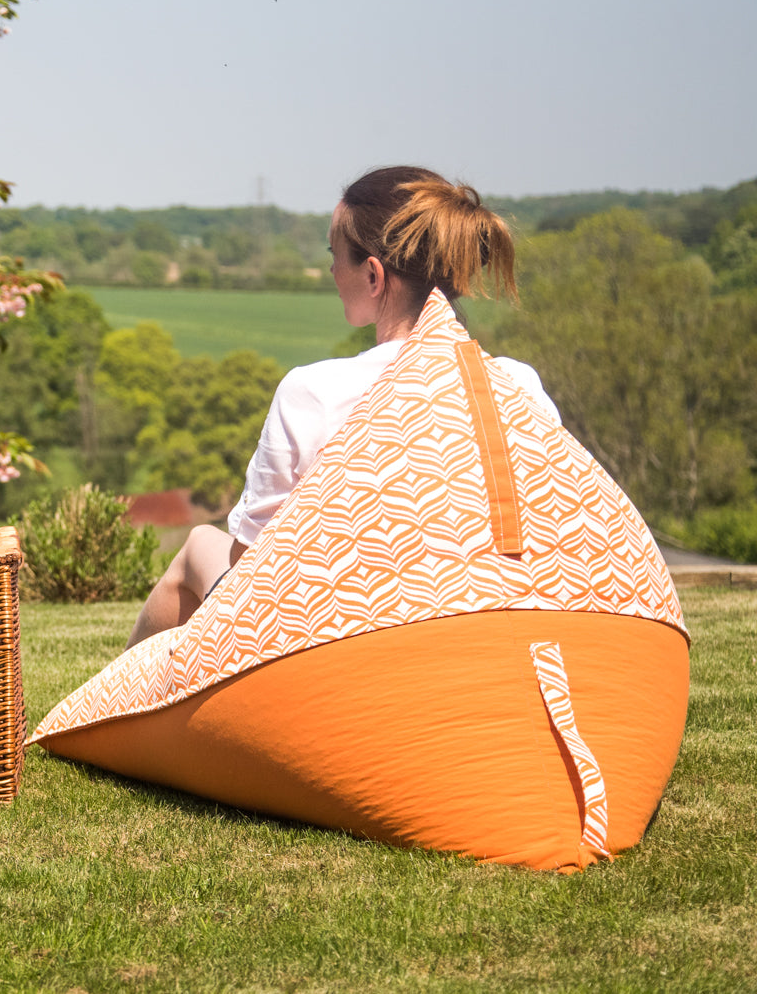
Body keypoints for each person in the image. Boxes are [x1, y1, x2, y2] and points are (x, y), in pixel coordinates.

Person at [127, 166, 561, 649]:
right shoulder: (519, 383)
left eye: (335, 256)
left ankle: (113, 714)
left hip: (346, 641)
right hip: (487, 619)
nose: (332, 271)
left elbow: (253, 562)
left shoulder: (314, 391)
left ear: (374, 275)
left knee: (199, 547)